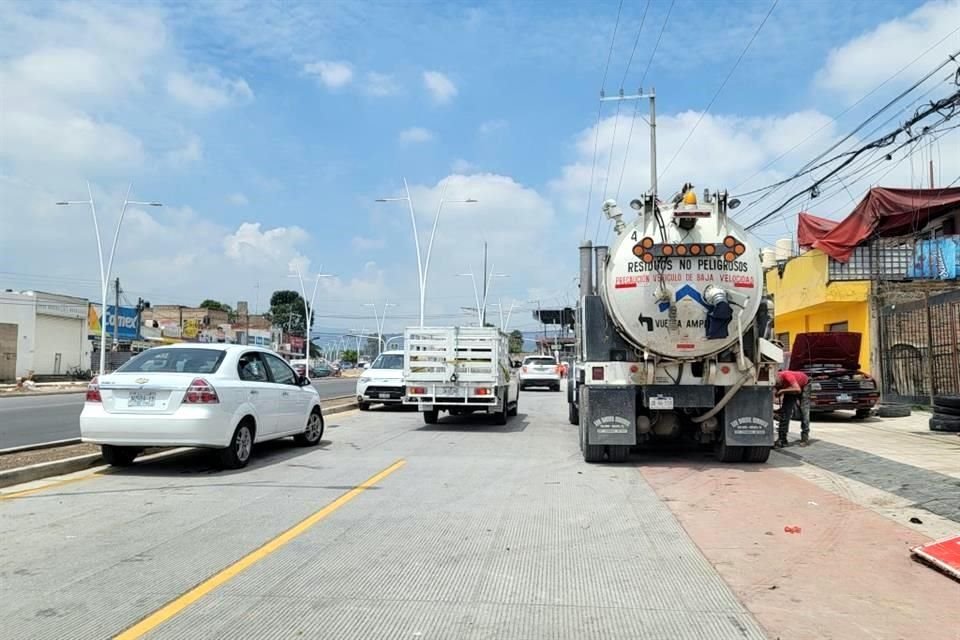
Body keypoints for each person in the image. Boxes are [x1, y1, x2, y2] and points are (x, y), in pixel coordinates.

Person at [775, 370, 811, 447]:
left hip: (804, 384)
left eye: (779, 384)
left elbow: (798, 389)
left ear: (781, 380)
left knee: (804, 410)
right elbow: (777, 391)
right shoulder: (775, 380)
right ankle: (782, 439)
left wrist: (782, 390)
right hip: (791, 387)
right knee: (785, 412)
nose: (778, 386)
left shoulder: (787, 376)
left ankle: (805, 438)